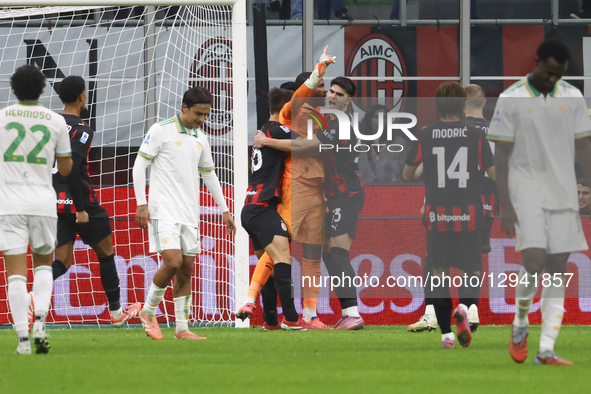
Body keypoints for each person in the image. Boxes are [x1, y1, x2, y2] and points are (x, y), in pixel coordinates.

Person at [489, 39, 591, 365]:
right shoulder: (511, 98)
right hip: (525, 192)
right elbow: (501, 155)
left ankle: (546, 348)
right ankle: (520, 323)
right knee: (534, 261)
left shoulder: (573, 96)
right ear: (535, 63)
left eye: (557, 75)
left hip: (562, 193)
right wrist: (505, 203)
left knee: (558, 269)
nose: (552, 80)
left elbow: (584, 148)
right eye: (548, 73)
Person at [238, 46, 336, 330]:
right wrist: (318, 71)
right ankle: (263, 305)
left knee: (299, 255)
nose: (325, 93)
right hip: (286, 193)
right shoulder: (284, 119)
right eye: (322, 88)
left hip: (299, 193)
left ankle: (288, 317)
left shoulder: (316, 119)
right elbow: (311, 139)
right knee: (280, 254)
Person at [133, 86, 236, 340]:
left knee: (186, 268)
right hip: (163, 210)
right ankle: (147, 311)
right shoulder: (161, 129)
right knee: (173, 261)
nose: (202, 119)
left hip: (190, 213)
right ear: (184, 108)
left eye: (206, 115)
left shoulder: (201, 137)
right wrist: (141, 203)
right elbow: (139, 165)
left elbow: (209, 174)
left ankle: (181, 328)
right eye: (198, 113)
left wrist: (224, 209)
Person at [403, 81, 495, 349]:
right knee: (472, 270)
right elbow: (493, 173)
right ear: (462, 106)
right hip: (468, 213)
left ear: (437, 106)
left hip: (437, 214)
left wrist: (426, 169)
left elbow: (409, 174)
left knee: (439, 272)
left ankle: (445, 334)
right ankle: (465, 308)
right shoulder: (476, 135)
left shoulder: (426, 134)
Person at [51, 75, 142, 326]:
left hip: (54, 201)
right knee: (106, 254)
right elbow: (72, 168)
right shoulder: (82, 129)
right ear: (82, 96)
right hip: (81, 202)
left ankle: (29, 297)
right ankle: (115, 312)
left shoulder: (50, 124)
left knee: (61, 262)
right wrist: (80, 208)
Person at [0, 65, 73, 355]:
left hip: (9, 204)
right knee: (43, 265)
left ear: (13, 88)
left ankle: (22, 340)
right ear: (43, 88)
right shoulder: (56, 122)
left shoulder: (2, 118)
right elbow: (66, 167)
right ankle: (40, 325)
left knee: (15, 273)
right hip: (43, 202)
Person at [240, 87, 315, 330]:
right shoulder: (277, 130)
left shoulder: (263, 129)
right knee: (283, 257)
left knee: (269, 265)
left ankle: (270, 319)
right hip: (262, 207)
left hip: (250, 207)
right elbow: (306, 145)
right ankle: (292, 318)